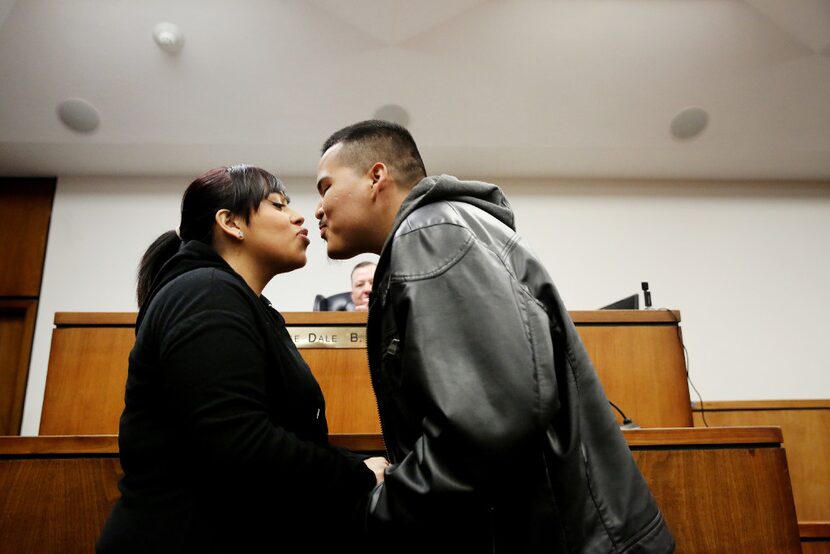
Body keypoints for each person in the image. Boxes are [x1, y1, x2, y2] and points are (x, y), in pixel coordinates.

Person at [314, 121, 675, 553]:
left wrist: (375, 512)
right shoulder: (441, 230)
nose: (317, 208)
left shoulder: (429, 233)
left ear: (376, 176)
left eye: (325, 187)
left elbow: (484, 425)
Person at [97, 164, 388, 554]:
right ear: (231, 223)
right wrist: (356, 473)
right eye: (278, 205)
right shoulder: (206, 292)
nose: (299, 215)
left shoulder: (233, 299)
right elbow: (241, 443)